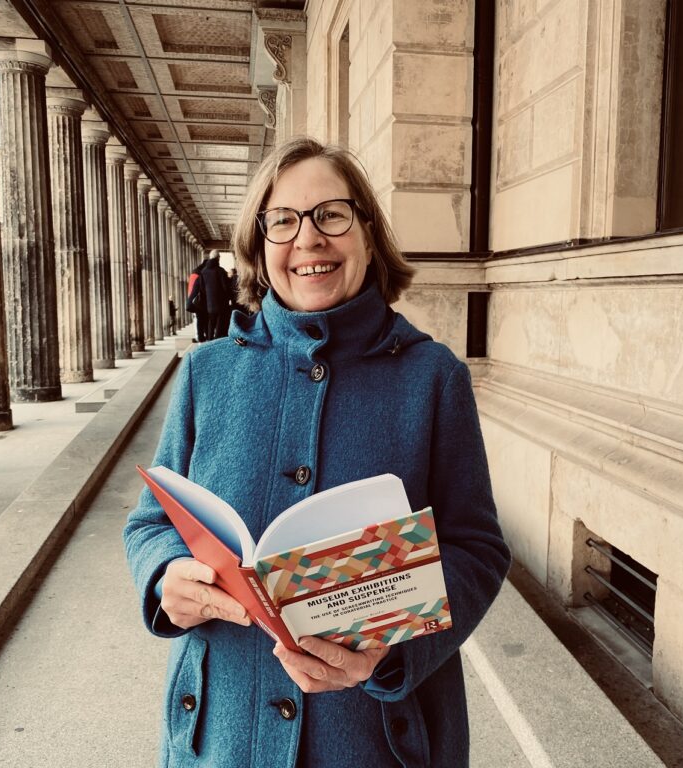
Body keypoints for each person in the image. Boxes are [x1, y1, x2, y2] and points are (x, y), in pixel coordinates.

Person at [124, 137, 510, 768]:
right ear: (259, 244)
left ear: (366, 231)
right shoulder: (207, 374)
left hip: (379, 738)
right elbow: (152, 523)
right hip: (222, 737)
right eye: (283, 220)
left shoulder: (433, 377)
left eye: (331, 214)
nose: (308, 239)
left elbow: (478, 546)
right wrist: (165, 578)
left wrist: (393, 650)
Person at [199, 250, 231, 340]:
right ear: (218, 258)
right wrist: (228, 298)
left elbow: (202, 288)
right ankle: (217, 342)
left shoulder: (203, 271)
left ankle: (209, 340)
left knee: (211, 323)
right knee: (219, 324)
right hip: (221, 303)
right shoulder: (220, 271)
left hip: (209, 303)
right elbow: (225, 287)